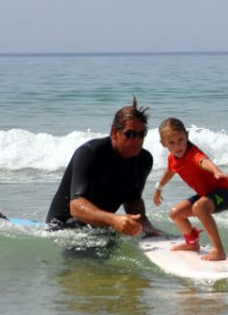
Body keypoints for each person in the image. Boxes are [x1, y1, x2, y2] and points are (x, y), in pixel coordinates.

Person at [47, 98, 159, 237]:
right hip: (63, 228)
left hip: (102, 227)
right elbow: (75, 207)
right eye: (130, 134)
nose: (137, 140)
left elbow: (133, 200)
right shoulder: (90, 153)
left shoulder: (144, 160)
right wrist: (114, 220)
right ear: (114, 132)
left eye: (142, 134)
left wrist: (147, 228)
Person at [153, 117, 228, 261]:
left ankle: (219, 250)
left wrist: (216, 171)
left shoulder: (193, 153)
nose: (178, 146)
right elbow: (170, 170)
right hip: (207, 195)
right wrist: (158, 188)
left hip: (225, 193)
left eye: (181, 140)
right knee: (175, 213)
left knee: (199, 208)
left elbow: (203, 161)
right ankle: (192, 244)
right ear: (163, 144)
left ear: (187, 136)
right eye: (171, 142)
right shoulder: (173, 158)